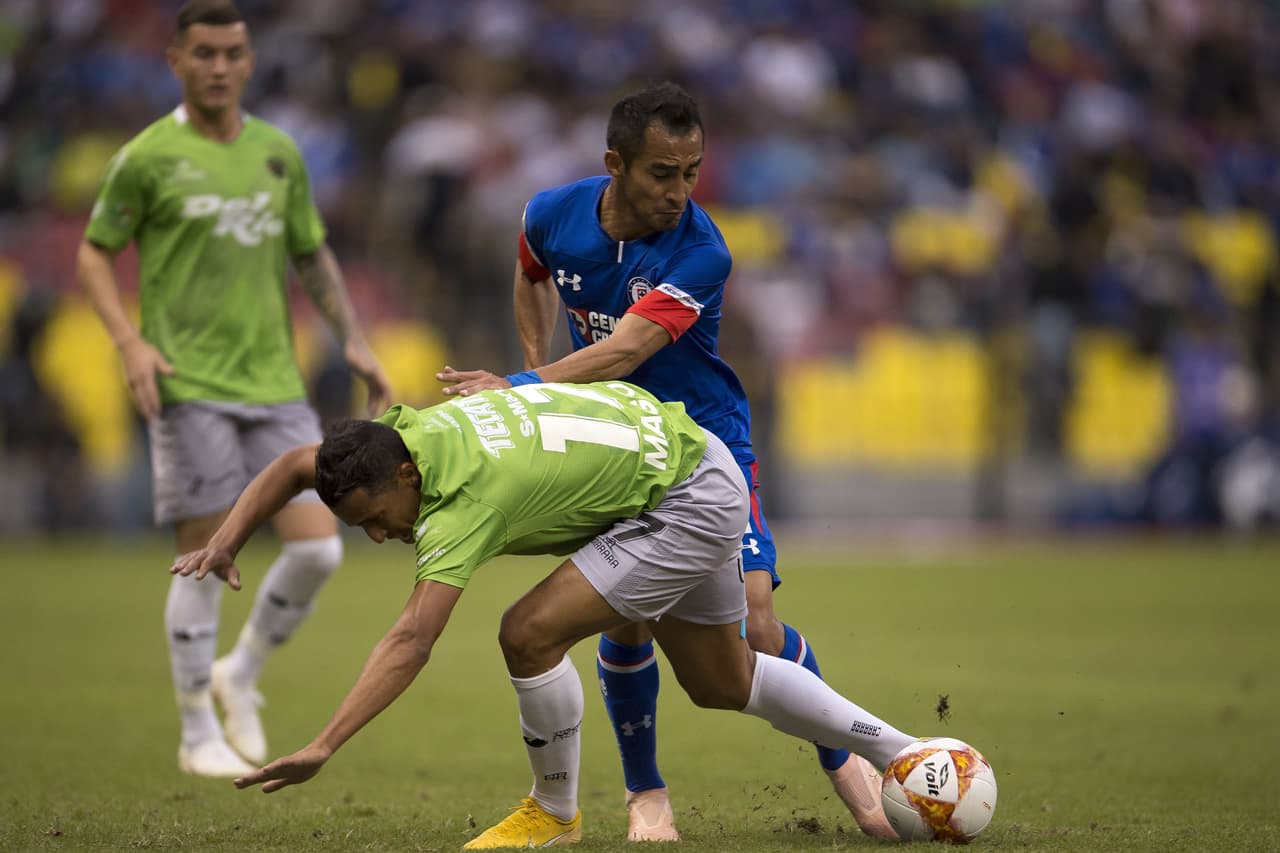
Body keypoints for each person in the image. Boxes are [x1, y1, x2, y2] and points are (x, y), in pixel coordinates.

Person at [170, 380, 919, 848]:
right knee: (723, 681)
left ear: (405, 475)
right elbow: (296, 463)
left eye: (377, 516)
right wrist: (227, 538)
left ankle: (553, 811)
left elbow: (411, 640)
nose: (377, 534)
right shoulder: (408, 431)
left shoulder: (463, 499)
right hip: (691, 464)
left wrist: (324, 745)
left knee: (526, 630)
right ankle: (905, 750)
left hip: (681, 498)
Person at [436, 82, 896, 840]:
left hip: (708, 442)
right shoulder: (550, 213)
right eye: (661, 173)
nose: (680, 191)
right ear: (615, 163)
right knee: (628, 612)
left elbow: (625, 350)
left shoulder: (701, 250)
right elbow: (530, 270)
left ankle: (844, 758)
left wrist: (520, 386)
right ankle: (646, 794)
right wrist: (540, 372)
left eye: (692, 172)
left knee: (756, 621)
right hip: (616, 446)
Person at [76, 0, 392, 778]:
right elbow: (93, 254)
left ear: (249, 62)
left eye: (233, 52)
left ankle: (239, 671)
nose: (220, 66)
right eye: (204, 53)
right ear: (176, 61)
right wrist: (130, 343)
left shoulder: (278, 152)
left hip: (274, 383)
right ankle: (195, 733)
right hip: (189, 384)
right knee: (204, 554)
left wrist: (351, 333)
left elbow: (312, 255)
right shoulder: (148, 156)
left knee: (320, 552)